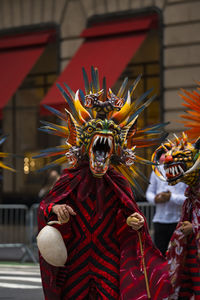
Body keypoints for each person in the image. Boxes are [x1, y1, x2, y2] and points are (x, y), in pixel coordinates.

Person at [37, 68, 173, 299]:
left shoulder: (118, 181)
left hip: (107, 256)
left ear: (116, 149)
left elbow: (128, 217)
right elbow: (45, 207)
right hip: (77, 257)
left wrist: (132, 221)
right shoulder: (70, 178)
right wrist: (54, 208)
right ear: (83, 145)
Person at [146, 162, 187, 256]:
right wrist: (155, 199)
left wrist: (171, 197)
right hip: (160, 220)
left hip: (178, 221)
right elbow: (149, 193)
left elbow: (188, 198)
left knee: (178, 255)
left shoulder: (184, 168)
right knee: (159, 255)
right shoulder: (158, 170)